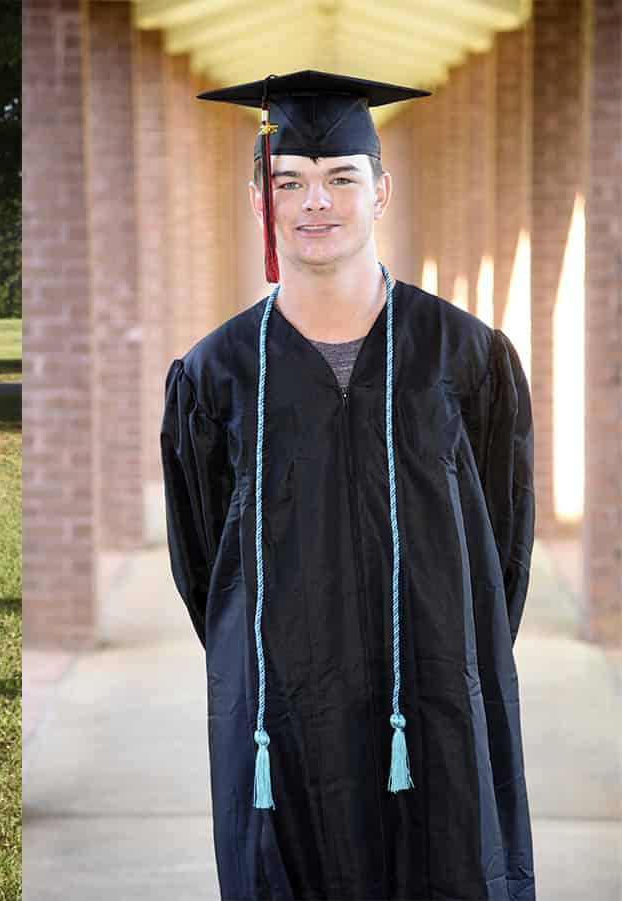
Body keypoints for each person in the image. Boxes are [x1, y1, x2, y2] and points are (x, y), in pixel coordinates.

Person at [160, 71, 535, 900]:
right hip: (283, 715)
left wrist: (452, 650)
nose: (315, 202)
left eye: (340, 178)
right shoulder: (216, 375)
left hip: (435, 700)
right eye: (289, 181)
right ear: (259, 199)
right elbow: (204, 567)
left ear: (381, 191)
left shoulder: (466, 356)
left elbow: (503, 544)